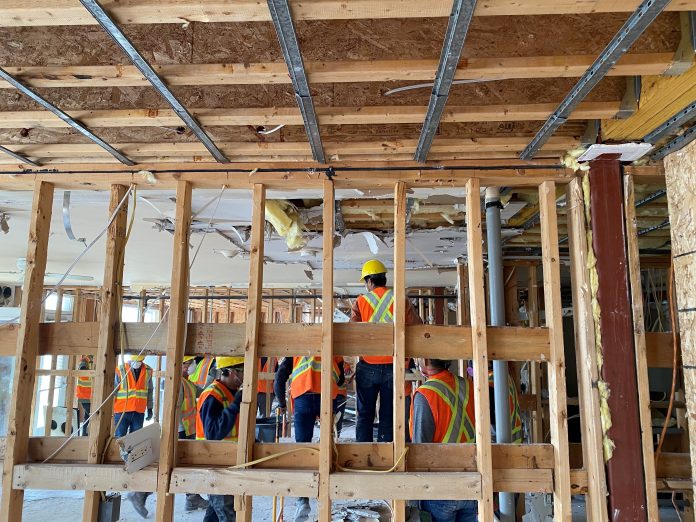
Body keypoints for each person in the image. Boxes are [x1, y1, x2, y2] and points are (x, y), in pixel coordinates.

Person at [351, 259, 422, 442]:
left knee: (365, 415)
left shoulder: (361, 301)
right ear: (383, 279)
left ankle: (362, 456)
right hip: (394, 365)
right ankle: (388, 455)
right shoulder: (400, 299)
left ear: (369, 281)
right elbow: (418, 328)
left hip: (368, 366)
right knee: (389, 417)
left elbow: (352, 333)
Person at [274, 355, 344, 522]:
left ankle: (302, 499)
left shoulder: (297, 347)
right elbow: (340, 378)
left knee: (302, 448)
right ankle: (325, 496)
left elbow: (280, 375)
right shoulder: (335, 343)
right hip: (326, 397)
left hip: (303, 397)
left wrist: (281, 402)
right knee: (327, 445)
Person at [411, 358, 477, 522]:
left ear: (424, 361)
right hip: (472, 483)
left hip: (441, 488)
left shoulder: (426, 393)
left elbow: (420, 450)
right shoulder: (469, 386)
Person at [197, 356, 245, 522]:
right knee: (227, 512)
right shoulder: (213, 395)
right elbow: (213, 433)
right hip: (215, 465)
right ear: (231, 372)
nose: (244, 376)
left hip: (229, 463)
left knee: (214, 513)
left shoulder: (230, 393)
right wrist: (234, 407)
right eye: (242, 372)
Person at [113, 354, 154, 517]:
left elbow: (149, 390)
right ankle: (122, 463)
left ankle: (133, 464)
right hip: (122, 410)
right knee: (120, 438)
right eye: (136, 361)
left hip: (138, 410)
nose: (138, 363)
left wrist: (150, 407)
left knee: (136, 440)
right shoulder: (121, 368)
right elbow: (115, 389)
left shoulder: (148, 371)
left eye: (141, 361)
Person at [180, 355, 208, 512]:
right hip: (181, 430)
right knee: (182, 464)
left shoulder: (188, 383)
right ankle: (141, 493)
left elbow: (203, 392)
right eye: (189, 363)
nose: (192, 366)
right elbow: (175, 410)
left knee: (187, 463)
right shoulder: (178, 383)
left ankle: (192, 498)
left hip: (188, 429)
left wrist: (213, 375)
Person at [75, 355, 93, 436]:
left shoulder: (88, 364)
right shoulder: (83, 364)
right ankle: (86, 435)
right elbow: (84, 373)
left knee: (87, 417)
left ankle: (84, 435)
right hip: (85, 396)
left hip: (88, 397)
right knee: (92, 416)